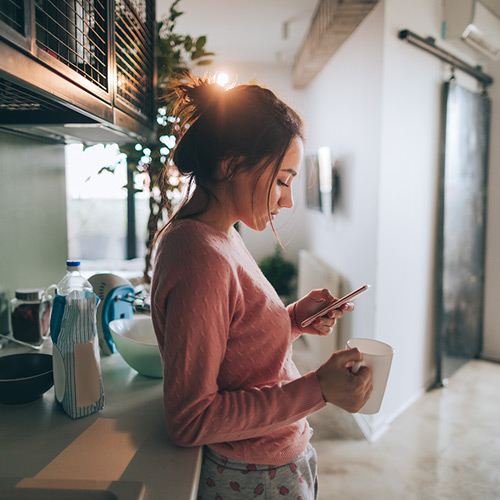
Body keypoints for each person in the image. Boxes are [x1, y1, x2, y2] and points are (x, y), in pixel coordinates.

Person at [150, 76, 372, 500]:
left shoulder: (221, 235)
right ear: (232, 165)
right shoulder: (200, 257)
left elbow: (236, 347)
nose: (287, 201)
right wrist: (317, 388)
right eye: (283, 179)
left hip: (271, 460)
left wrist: (292, 319)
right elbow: (191, 420)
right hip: (253, 477)